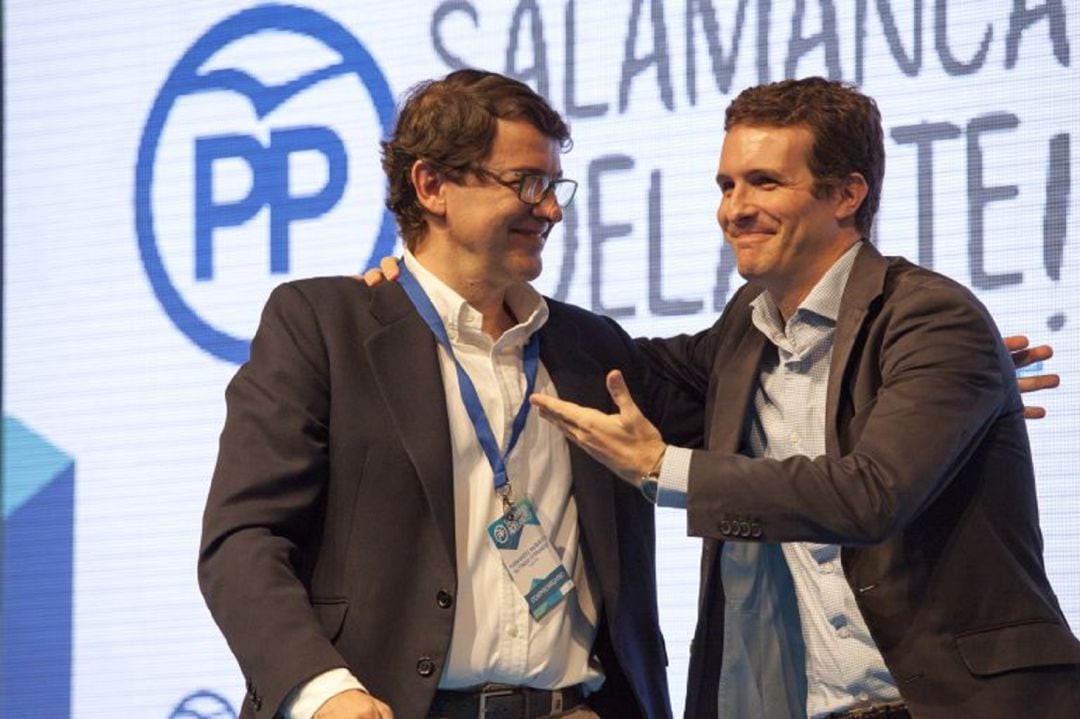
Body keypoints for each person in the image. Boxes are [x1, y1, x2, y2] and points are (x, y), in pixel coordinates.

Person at [530, 77, 1080, 718]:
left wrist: (662, 467)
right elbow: (621, 365)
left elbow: (869, 496)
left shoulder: (931, 316)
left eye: (764, 183)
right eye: (727, 185)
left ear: (847, 194)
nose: (734, 209)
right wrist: (415, 294)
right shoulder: (746, 328)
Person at [199, 69, 700, 719]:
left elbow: (729, 367)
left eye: (554, 186)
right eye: (527, 182)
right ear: (432, 185)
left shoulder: (591, 348)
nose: (551, 209)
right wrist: (324, 690)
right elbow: (244, 539)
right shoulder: (325, 326)